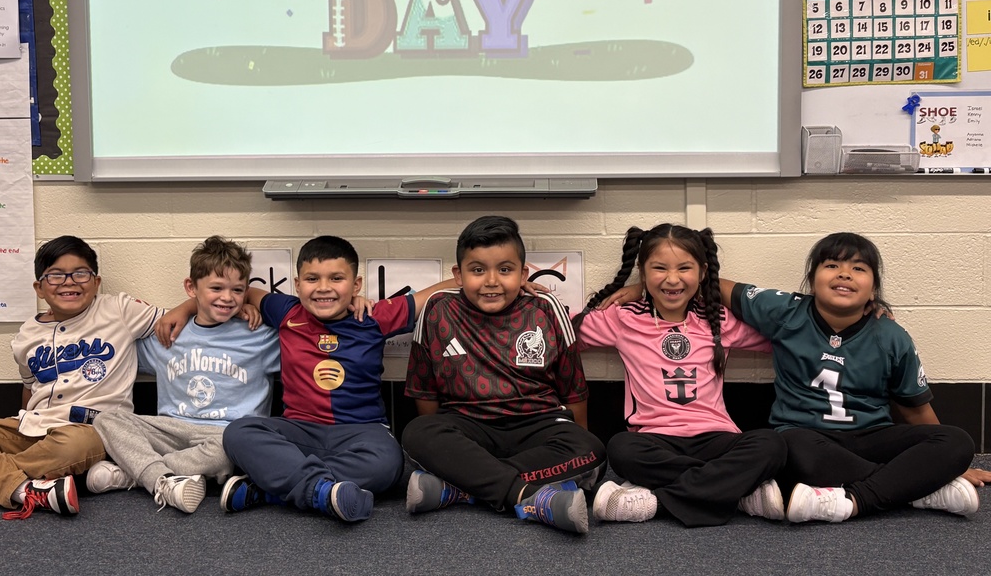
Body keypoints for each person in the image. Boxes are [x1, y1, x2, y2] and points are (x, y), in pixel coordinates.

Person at [727, 232, 989, 523]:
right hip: (806, 436)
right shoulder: (786, 312)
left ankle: (852, 500)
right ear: (812, 280)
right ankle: (916, 491)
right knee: (787, 449)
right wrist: (933, 473)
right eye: (831, 265)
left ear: (873, 290)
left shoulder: (891, 336)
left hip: (871, 437)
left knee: (957, 441)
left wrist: (953, 463)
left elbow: (916, 410)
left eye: (859, 268)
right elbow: (717, 287)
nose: (845, 274)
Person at [201, 235, 450, 523]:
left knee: (389, 464)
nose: (323, 288)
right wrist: (194, 309)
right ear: (297, 285)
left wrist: (505, 279)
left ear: (356, 285)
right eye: (312, 279)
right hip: (299, 431)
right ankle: (321, 491)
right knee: (238, 433)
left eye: (336, 279)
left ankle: (270, 489)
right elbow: (241, 291)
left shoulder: (373, 316)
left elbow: (438, 293)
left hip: (361, 431)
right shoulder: (286, 311)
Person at [400, 215, 606, 535]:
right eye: (478, 270)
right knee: (417, 433)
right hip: (468, 426)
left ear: (524, 274)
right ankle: (524, 496)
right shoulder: (438, 308)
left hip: (538, 424)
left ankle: (461, 487)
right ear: (459, 274)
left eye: (505, 270)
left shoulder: (545, 307)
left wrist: (577, 437)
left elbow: (573, 388)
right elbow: (424, 390)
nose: (492, 281)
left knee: (591, 449)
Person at [574, 224, 786, 527]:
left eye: (684, 268)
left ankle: (656, 501)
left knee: (772, 445)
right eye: (659, 269)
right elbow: (561, 333)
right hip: (653, 439)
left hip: (717, 437)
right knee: (621, 449)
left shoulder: (718, 320)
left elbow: (787, 337)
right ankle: (737, 491)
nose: (672, 279)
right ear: (643, 272)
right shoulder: (624, 318)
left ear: (701, 273)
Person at [0, 235, 169, 520]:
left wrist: (246, 300)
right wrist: (22, 421)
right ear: (39, 288)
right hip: (33, 428)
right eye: (55, 275)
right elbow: (29, 390)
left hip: (93, 428)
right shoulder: (27, 334)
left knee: (73, 445)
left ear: (96, 282)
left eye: (80, 273)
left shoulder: (119, 310)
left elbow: (176, 318)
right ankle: (25, 488)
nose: (69, 282)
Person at [87, 235, 280, 513]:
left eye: (237, 290)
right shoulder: (168, 332)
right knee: (107, 420)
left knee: (237, 449)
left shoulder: (258, 335)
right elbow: (115, 352)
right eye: (216, 288)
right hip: (171, 429)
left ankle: (136, 475)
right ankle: (166, 476)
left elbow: (303, 343)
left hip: (227, 435)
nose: (227, 298)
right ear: (191, 288)